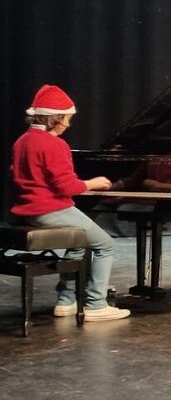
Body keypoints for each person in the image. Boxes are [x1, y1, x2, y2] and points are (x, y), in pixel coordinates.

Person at [9, 85, 130, 321]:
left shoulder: (22, 141)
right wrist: (93, 183)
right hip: (50, 209)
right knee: (105, 245)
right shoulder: (54, 144)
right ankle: (96, 304)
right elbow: (67, 187)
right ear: (56, 118)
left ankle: (66, 301)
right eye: (67, 118)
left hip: (27, 210)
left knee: (78, 243)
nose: (68, 124)